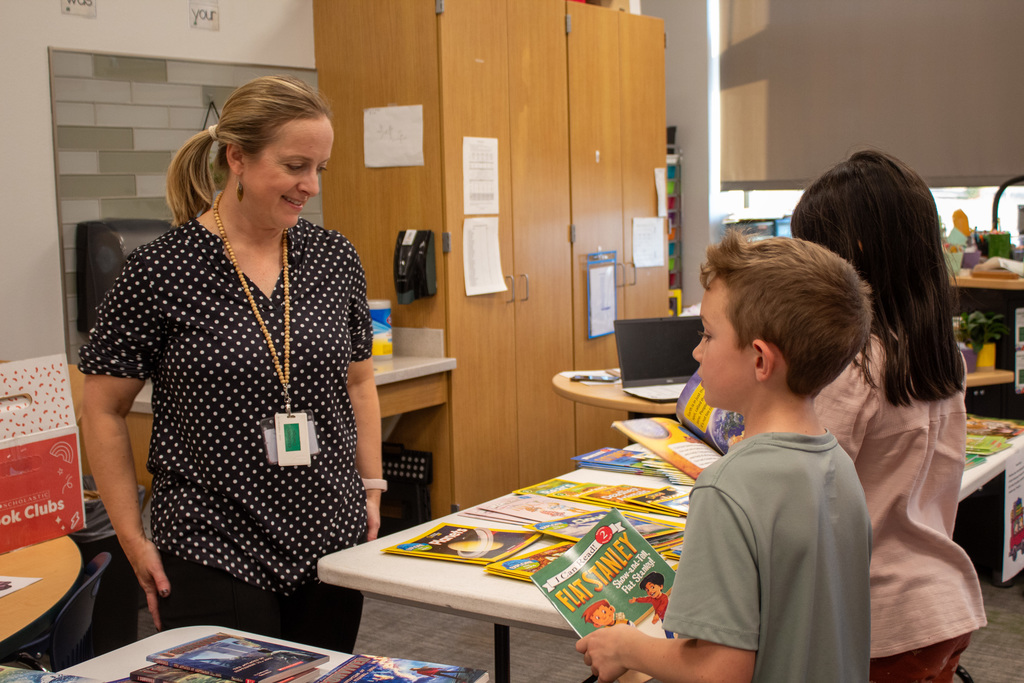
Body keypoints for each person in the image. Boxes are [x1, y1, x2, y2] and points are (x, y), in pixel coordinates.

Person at [78, 75, 383, 652]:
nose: (310, 186)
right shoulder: (159, 270)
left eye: (321, 168)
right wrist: (131, 537)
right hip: (212, 540)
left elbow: (359, 383)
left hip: (330, 530)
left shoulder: (333, 256)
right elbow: (102, 409)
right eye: (296, 166)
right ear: (236, 158)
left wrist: (370, 490)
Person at [576, 231, 874, 683]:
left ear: (760, 361)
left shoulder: (727, 487)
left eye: (708, 335)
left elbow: (722, 672)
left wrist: (626, 647)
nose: (696, 351)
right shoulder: (841, 466)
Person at [790, 149, 987, 682]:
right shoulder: (936, 351)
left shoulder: (853, 365)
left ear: (850, 255)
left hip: (879, 618)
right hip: (940, 601)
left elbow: (798, 488)